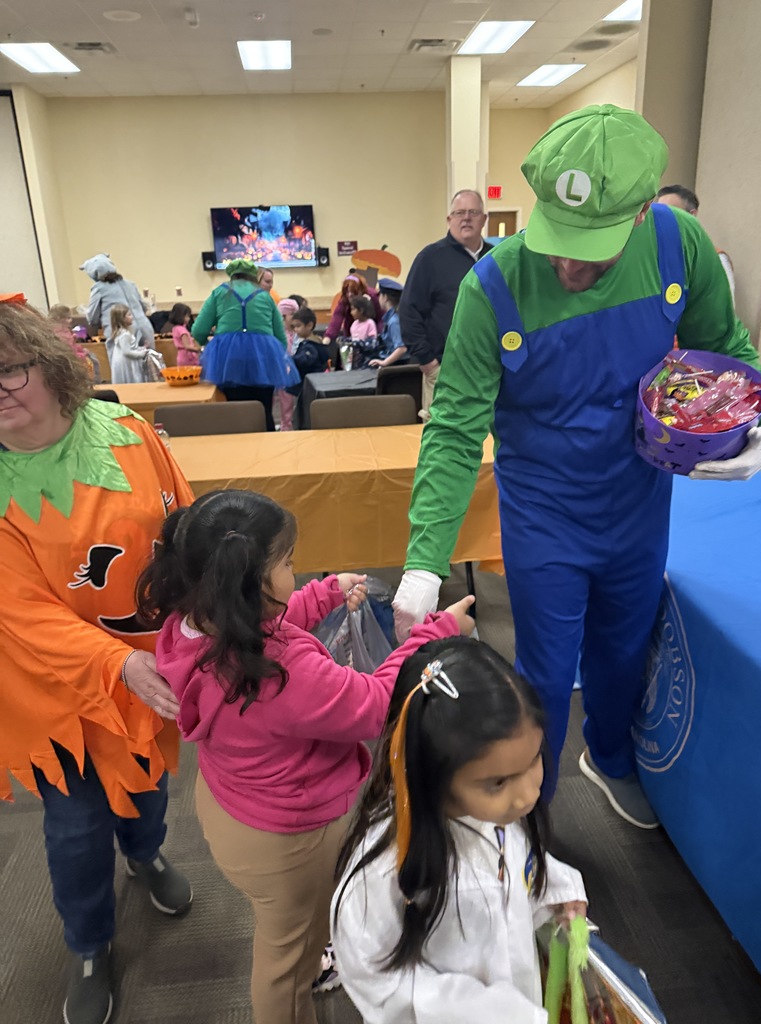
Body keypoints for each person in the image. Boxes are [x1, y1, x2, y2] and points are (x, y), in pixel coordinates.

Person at [393, 104, 761, 831]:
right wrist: (422, 562)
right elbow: (454, 428)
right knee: (543, 667)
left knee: (626, 649)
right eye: (557, 242)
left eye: (588, 250)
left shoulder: (676, 244)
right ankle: (533, 818)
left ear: (634, 219)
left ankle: (612, 757)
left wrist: (751, 424)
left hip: (639, 500)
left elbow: (725, 349)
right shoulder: (492, 287)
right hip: (544, 512)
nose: (566, 266)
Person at [137, 488, 477, 1024]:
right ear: (248, 583)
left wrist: (320, 596)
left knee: (282, 930)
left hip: (232, 804)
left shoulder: (190, 626)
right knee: (287, 960)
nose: (295, 571)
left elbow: (254, 623)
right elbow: (372, 704)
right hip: (288, 838)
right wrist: (438, 634)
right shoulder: (279, 673)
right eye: (288, 563)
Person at [0, 302, 193, 1024]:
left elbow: (181, 521)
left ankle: (146, 856)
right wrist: (113, 665)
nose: (0, 389)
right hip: (52, 682)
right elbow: (21, 614)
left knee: (146, 782)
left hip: (148, 660)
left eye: (9, 370)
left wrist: (204, 611)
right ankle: (88, 941)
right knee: (75, 824)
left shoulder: (132, 434)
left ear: (48, 367)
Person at [332, 637, 587, 1022]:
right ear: (431, 773)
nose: (525, 796)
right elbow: (376, 976)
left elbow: (521, 866)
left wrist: (558, 892)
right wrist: (489, 1013)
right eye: (498, 782)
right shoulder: (383, 871)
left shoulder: (494, 816)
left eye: (533, 761)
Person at [399, 190, 493, 421]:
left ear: (484, 218)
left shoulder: (498, 259)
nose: (466, 218)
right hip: (444, 370)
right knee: (442, 441)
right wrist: (428, 362)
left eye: (473, 212)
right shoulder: (429, 259)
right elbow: (409, 311)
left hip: (492, 371)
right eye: (459, 213)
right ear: (449, 220)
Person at [192, 259, 299, 431]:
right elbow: (280, 336)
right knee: (264, 409)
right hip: (263, 358)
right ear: (253, 276)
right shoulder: (265, 296)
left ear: (232, 275)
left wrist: (211, 346)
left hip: (230, 360)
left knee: (236, 409)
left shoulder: (219, 293)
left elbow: (198, 330)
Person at [655, 184, 736, 300]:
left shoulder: (716, 259)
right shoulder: (654, 255)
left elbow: (724, 310)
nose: (662, 219)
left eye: (671, 212)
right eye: (659, 214)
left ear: (691, 215)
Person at [80, 253, 156, 357]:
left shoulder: (98, 288)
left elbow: (92, 317)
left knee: (125, 368)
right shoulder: (130, 284)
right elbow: (143, 307)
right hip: (145, 328)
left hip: (120, 332)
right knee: (149, 365)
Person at [323, 274, 382, 344]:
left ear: (360, 290)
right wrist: (328, 336)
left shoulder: (373, 296)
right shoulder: (344, 299)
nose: (349, 294)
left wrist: (379, 337)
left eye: (352, 291)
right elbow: (337, 317)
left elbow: (381, 318)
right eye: (347, 291)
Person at [48, 304, 101, 381]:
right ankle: (95, 382)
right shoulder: (61, 334)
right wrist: (82, 353)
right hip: (69, 360)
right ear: (59, 318)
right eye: (68, 318)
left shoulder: (60, 330)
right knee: (93, 360)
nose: (71, 320)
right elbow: (69, 350)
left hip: (70, 356)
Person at [369, 277, 408, 368]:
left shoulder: (394, 321)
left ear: (385, 297)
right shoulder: (394, 317)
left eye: (380, 295)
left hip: (397, 366)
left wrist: (384, 362)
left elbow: (402, 348)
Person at [110, 304, 151, 384]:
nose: (132, 317)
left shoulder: (122, 332)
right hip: (126, 363)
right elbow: (127, 352)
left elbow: (131, 347)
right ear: (122, 319)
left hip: (124, 360)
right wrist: (142, 354)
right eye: (129, 315)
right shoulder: (124, 335)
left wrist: (142, 348)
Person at [276, 298, 301, 430]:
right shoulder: (278, 334)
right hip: (283, 371)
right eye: (293, 315)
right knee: (285, 400)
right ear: (283, 316)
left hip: (297, 368)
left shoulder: (298, 332)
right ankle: (286, 425)